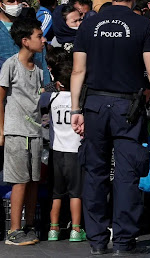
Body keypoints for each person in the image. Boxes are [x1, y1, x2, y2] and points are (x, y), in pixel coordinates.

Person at [70, 0, 150, 255]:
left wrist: (76, 108)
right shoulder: (142, 26)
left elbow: (78, 70)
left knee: (95, 173)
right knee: (127, 176)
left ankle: (97, 241)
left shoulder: (88, 26)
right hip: (128, 107)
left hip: (95, 106)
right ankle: (124, 241)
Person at [0, 17, 46, 246]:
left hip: (35, 133)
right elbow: (0, 98)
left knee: (33, 181)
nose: (43, 40)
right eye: (39, 36)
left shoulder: (38, 69)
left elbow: (37, 97)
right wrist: (1, 130)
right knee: (19, 181)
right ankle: (14, 230)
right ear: (25, 41)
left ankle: (29, 226)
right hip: (16, 132)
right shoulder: (10, 65)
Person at [41, 58, 87, 242]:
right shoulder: (79, 100)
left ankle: (53, 229)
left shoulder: (51, 97)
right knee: (76, 192)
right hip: (75, 151)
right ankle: (76, 229)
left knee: (56, 192)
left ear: (58, 82)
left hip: (56, 151)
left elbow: (39, 96)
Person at [0, 0, 50, 83]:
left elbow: (41, 58)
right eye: (11, 1)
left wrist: (46, 86)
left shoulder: (30, 25)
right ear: (1, 4)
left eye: (19, 0)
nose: (16, 4)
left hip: (31, 87)